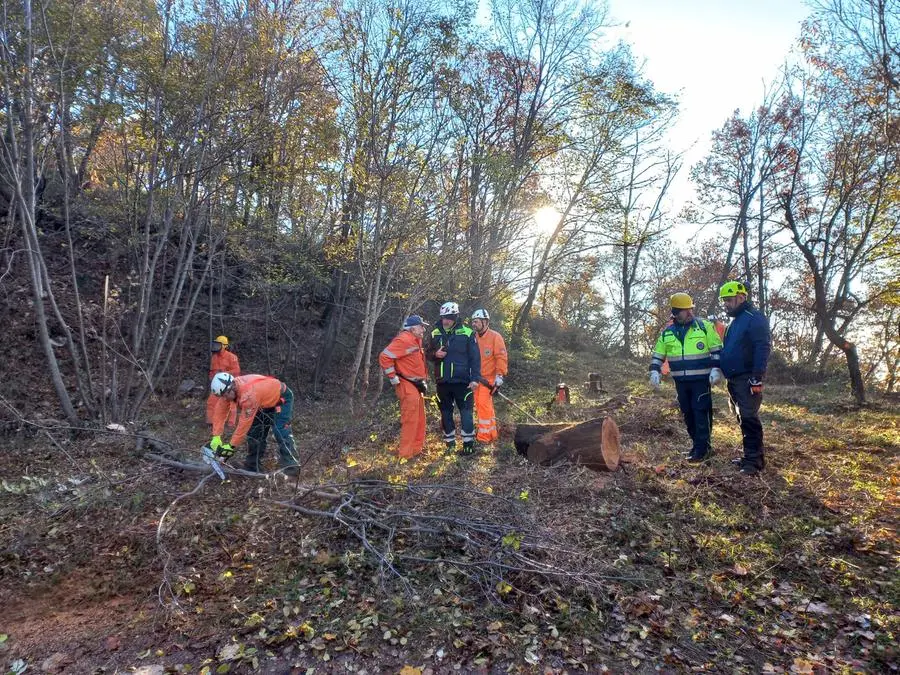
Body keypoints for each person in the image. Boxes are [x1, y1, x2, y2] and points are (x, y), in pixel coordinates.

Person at [648, 293, 724, 463]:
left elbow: (717, 350)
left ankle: (703, 449)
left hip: (701, 380)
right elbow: (658, 354)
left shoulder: (704, 327)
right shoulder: (667, 333)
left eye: (684, 311)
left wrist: (716, 369)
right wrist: (654, 370)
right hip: (680, 382)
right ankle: (697, 445)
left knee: (700, 413)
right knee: (688, 414)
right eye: (678, 312)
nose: (682, 314)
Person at [718, 281, 771, 476]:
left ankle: (753, 461)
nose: (727, 304)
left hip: (748, 377)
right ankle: (751, 456)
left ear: (741, 297)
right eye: (725, 301)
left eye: (730, 300)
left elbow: (762, 346)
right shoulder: (735, 321)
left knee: (749, 418)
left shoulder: (754, 318)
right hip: (734, 379)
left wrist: (757, 376)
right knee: (741, 417)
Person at [208, 373, 299, 475]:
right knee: (255, 432)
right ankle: (252, 465)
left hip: (281, 399)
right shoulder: (228, 390)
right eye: (222, 396)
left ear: (231, 388)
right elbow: (220, 412)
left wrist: (231, 446)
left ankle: (292, 466)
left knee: (280, 431)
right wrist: (216, 436)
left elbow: (244, 424)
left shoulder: (248, 396)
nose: (225, 399)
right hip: (262, 403)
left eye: (225, 395)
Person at [425, 301, 481, 453]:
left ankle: (468, 446)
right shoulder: (434, 333)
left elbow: (475, 358)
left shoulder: (468, 333)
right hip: (442, 382)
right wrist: (435, 355)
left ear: (456, 316)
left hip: (463, 382)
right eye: (444, 317)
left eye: (449, 317)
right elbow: (427, 354)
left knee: (466, 414)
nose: (446, 320)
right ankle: (449, 446)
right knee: (445, 414)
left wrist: (475, 379)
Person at [379, 315, 430, 459]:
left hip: (417, 385)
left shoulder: (415, 340)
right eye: (421, 326)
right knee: (410, 420)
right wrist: (392, 377)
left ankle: (416, 450)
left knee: (420, 419)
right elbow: (384, 356)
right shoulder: (404, 339)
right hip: (407, 385)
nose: (423, 329)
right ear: (413, 328)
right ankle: (405, 455)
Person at [471, 309, 508, 444]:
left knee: (484, 406)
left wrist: (500, 376)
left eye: (476, 321)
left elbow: (501, 357)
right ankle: (492, 433)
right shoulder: (473, 337)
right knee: (481, 406)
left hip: (489, 379)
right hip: (476, 378)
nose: (473, 324)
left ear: (485, 322)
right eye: (473, 322)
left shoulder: (495, 337)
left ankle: (484, 438)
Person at [206, 335, 240, 425]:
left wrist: (224, 372)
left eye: (218, 345)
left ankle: (230, 423)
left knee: (231, 403)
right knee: (211, 401)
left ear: (224, 346)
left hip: (229, 383)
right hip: (217, 384)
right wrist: (212, 378)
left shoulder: (232, 357)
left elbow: (237, 371)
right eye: (215, 344)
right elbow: (212, 371)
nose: (216, 347)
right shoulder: (214, 357)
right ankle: (211, 422)